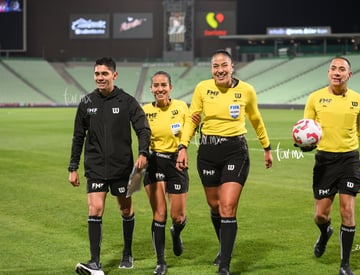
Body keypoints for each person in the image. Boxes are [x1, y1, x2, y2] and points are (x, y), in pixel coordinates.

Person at [176, 49, 273, 275]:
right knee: (215, 206)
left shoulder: (246, 91)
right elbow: (192, 119)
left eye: (224, 66)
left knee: (228, 206)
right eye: (215, 66)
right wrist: (183, 146)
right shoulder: (202, 88)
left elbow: (256, 120)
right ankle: (224, 247)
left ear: (232, 67)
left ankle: (225, 265)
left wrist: (267, 147)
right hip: (208, 152)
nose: (219, 70)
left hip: (235, 151)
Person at [68, 57, 151, 275]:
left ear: (114, 75)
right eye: (97, 74)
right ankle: (94, 262)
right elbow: (78, 136)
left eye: (104, 74)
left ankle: (127, 253)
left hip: (122, 168)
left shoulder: (127, 101)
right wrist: (73, 166)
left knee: (125, 209)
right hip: (95, 166)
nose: (100, 78)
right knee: (95, 209)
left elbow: (143, 129)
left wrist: (143, 153)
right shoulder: (86, 102)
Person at [300, 56, 360, 275]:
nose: (337, 72)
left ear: (349, 75)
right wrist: (305, 146)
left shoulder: (359, 101)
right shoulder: (315, 98)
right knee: (321, 215)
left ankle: (345, 264)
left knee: (348, 211)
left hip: (349, 161)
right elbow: (307, 129)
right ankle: (325, 233)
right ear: (328, 73)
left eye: (342, 69)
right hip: (324, 161)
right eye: (333, 68)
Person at [142, 71, 200, 275]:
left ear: (170, 88)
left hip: (176, 163)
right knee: (159, 214)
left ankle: (176, 233)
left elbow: (191, 128)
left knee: (178, 216)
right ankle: (161, 262)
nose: (160, 89)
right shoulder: (144, 111)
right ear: (151, 89)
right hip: (154, 162)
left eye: (163, 85)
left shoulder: (181, 107)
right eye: (156, 85)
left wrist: (196, 125)